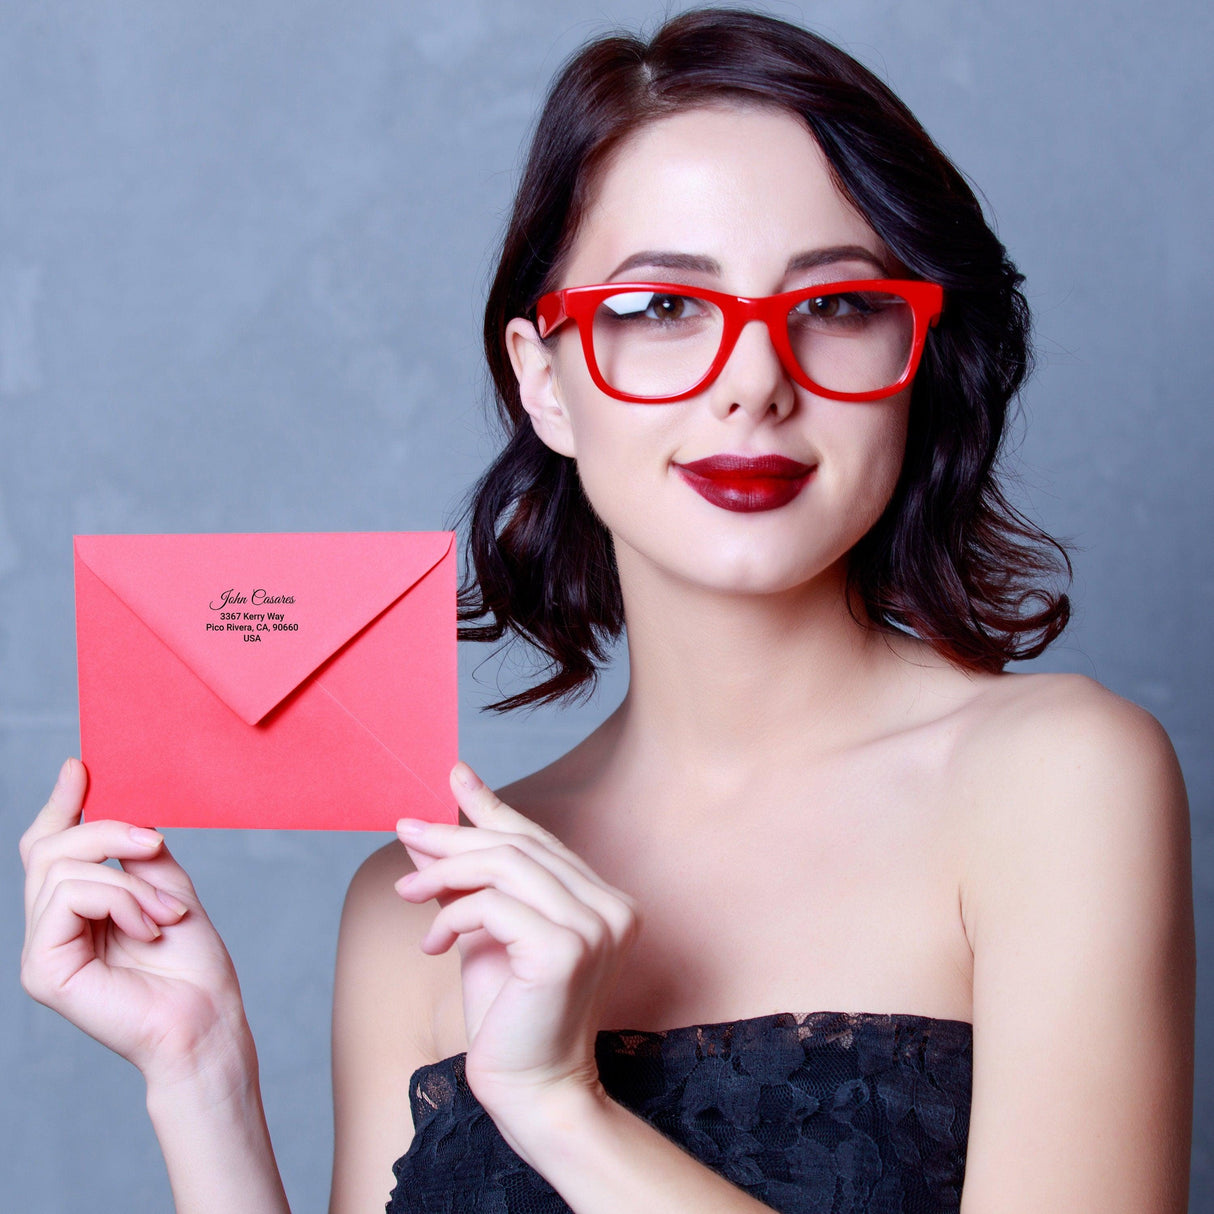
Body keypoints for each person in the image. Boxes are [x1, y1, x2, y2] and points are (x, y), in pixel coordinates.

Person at [20, 8, 1195, 1213]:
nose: (753, 383)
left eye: (836, 304)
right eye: (657, 310)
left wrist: (557, 1105)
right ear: (546, 382)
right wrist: (198, 1070)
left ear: (917, 351)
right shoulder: (414, 904)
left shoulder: (1055, 781)